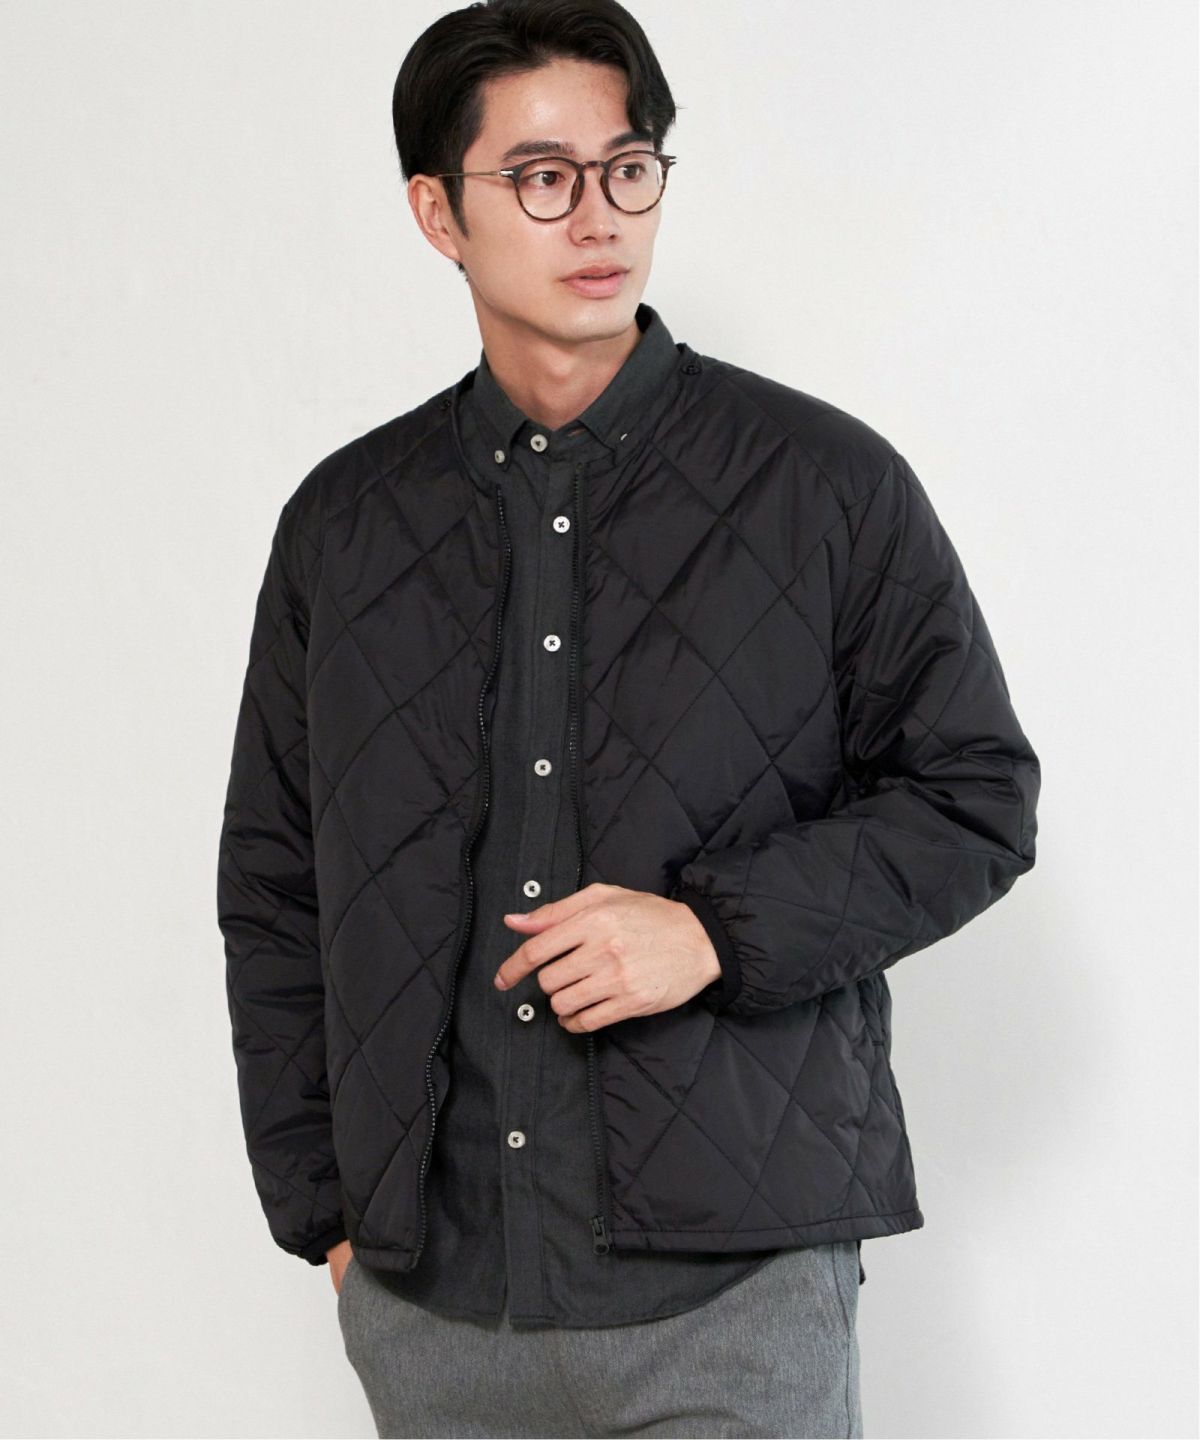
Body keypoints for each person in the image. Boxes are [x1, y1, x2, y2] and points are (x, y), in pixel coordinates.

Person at [216, 2, 1041, 1436]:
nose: (598, 215)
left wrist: (715, 930)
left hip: (731, 1302)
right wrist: (330, 1224)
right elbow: (276, 883)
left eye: (628, 166)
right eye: (542, 177)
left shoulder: (826, 486)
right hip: (437, 1315)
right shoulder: (344, 528)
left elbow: (974, 796)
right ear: (438, 212)